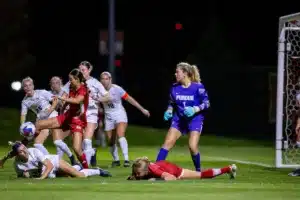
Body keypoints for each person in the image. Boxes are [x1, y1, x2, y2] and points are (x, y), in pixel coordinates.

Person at [156, 62, 210, 172]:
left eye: (177, 72)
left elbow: (207, 103)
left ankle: (198, 171)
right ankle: (155, 168)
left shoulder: (198, 87)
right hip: (179, 120)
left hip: (195, 120)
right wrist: (169, 110)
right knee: (168, 143)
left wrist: (195, 109)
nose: (175, 74)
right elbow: (171, 102)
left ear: (185, 73)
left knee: (192, 147)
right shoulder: (174, 88)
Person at [35, 68, 90, 168]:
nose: (69, 81)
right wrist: (63, 108)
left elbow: (77, 101)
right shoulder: (71, 87)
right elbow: (69, 100)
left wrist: (60, 97)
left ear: (77, 79)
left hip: (77, 121)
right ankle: (24, 147)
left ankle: (86, 168)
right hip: (67, 116)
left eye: (71, 79)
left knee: (77, 149)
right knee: (39, 124)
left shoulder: (83, 89)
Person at [94, 71, 150, 167]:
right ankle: (116, 160)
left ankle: (126, 159)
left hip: (119, 114)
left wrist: (142, 109)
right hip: (108, 116)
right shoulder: (98, 90)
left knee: (121, 135)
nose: (104, 81)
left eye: (106, 79)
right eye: (102, 79)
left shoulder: (117, 89)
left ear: (110, 79)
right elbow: (97, 103)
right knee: (111, 141)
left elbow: (130, 99)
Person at [62, 61, 110, 167]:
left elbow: (107, 96)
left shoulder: (95, 83)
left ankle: (86, 167)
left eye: (83, 70)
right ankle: (91, 153)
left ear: (89, 70)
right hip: (77, 114)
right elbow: (64, 95)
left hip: (91, 113)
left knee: (87, 140)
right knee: (80, 143)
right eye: (80, 70)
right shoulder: (72, 82)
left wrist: (98, 98)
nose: (81, 72)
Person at [10, 141, 111, 179]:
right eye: (21, 151)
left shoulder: (34, 152)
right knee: (65, 175)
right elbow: (21, 175)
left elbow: (49, 165)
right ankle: (78, 166)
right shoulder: (17, 165)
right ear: (17, 155)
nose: (25, 151)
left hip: (54, 162)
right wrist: (24, 176)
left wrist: (41, 179)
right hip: (48, 172)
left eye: (24, 148)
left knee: (78, 175)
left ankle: (98, 171)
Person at [20, 77, 58, 155]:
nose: (28, 87)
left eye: (30, 85)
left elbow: (55, 99)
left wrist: (51, 109)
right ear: (23, 88)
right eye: (26, 86)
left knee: (58, 141)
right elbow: (23, 115)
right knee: (37, 144)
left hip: (52, 116)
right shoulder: (25, 101)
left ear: (33, 86)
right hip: (42, 120)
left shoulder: (42, 92)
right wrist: (22, 125)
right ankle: (50, 160)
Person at [127, 157, 236, 181]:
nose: (137, 175)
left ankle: (227, 168)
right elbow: (136, 175)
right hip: (170, 167)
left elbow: (172, 178)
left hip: (176, 172)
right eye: (136, 173)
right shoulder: (142, 166)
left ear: (146, 170)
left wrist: (155, 180)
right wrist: (133, 177)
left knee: (201, 175)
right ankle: (228, 169)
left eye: (138, 173)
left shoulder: (154, 170)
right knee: (201, 174)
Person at [49, 76, 76, 164]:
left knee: (77, 143)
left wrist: (58, 100)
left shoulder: (65, 91)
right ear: (51, 85)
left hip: (71, 118)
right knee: (58, 141)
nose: (55, 84)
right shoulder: (50, 94)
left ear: (61, 83)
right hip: (62, 118)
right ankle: (61, 161)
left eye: (57, 82)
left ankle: (86, 156)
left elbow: (64, 104)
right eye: (53, 83)